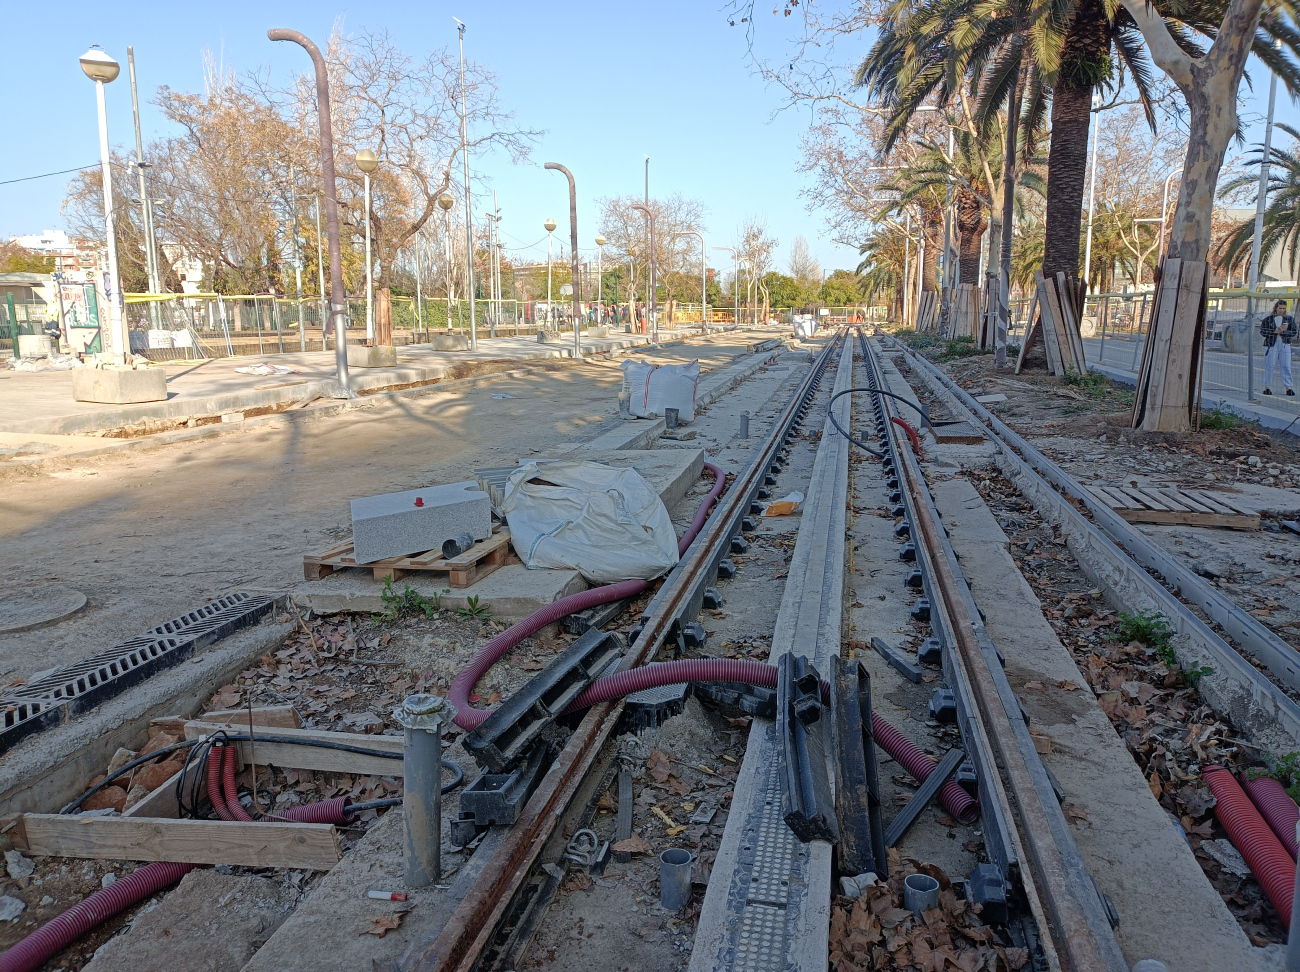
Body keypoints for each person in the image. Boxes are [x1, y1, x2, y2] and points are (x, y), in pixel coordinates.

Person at [1261, 299, 1296, 396]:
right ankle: (1267, 387)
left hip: (1284, 343)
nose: (1282, 310)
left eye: (1284, 308)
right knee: (1270, 365)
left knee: (1286, 366)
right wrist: (1274, 331)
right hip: (1271, 344)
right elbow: (1263, 331)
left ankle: (1288, 387)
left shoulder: (1289, 319)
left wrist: (1283, 332)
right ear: (1276, 308)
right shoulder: (1268, 319)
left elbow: (1294, 332)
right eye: (1280, 308)